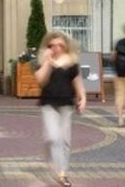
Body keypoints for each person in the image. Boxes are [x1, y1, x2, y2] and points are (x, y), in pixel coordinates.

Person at [34, 31, 86, 187]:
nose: (56, 48)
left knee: (64, 140)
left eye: (60, 45)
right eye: (52, 45)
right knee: (53, 137)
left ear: (66, 46)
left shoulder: (71, 62)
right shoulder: (44, 61)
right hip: (49, 103)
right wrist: (48, 63)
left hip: (66, 104)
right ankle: (51, 153)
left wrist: (82, 97)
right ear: (47, 47)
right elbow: (41, 81)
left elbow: (77, 82)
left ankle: (62, 174)